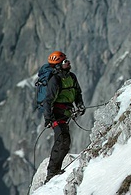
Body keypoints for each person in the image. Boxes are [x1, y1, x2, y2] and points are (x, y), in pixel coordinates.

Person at [42, 51, 85, 182]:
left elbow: (77, 92)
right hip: (56, 115)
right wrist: (48, 118)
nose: (68, 63)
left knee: (65, 142)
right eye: (65, 62)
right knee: (62, 141)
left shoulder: (71, 76)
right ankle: (51, 174)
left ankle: (55, 170)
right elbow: (48, 101)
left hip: (65, 114)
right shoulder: (55, 80)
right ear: (58, 66)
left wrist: (80, 105)